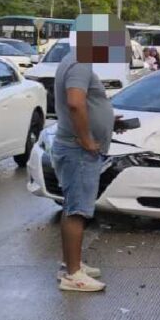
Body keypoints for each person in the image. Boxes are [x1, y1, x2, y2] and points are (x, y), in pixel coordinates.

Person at [53, 24, 127, 292]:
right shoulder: (81, 62)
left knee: (73, 207)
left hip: (73, 146)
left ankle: (71, 264)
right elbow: (75, 102)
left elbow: (82, 102)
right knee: (78, 211)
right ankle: (73, 275)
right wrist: (86, 139)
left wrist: (107, 120)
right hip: (78, 150)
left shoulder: (72, 59)